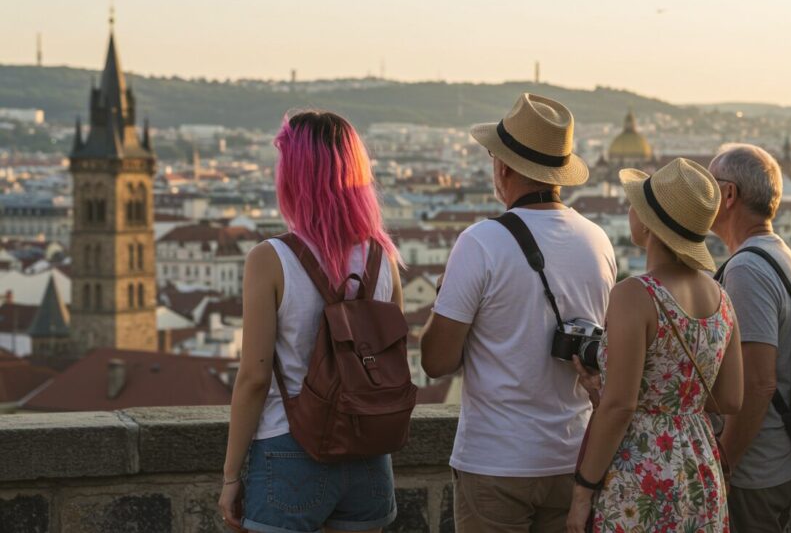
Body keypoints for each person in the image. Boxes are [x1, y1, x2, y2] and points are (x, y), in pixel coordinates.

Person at [420, 93, 617, 532]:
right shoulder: (598, 242)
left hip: (497, 462)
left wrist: (444, 301)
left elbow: (435, 362)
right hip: (574, 459)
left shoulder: (481, 243)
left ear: (503, 167)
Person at [218, 111, 403, 533]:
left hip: (289, 448)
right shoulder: (382, 257)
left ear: (293, 177)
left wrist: (231, 476)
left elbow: (253, 378)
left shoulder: (270, 259)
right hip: (369, 453)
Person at [567, 158, 743, 533]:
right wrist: (675, 400)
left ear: (647, 223)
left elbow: (620, 406)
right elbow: (731, 398)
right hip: (699, 469)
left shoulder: (635, 295)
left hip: (643, 470)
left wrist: (583, 492)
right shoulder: (722, 298)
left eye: (636, 205)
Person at [708, 144, 791, 532]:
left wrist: (725, 459)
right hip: (783, 455)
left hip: (755, 467)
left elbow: (758, 381)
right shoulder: (784, 254)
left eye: (709, 184)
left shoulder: (747, 270)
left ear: (729, 195)